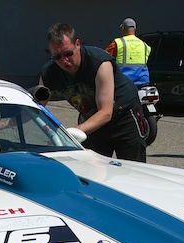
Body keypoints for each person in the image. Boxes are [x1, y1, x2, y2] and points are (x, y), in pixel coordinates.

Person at [40, 22, 146, 162]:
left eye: (68, 53)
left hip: (123, 116)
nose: (64, 60)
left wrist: (70, 135)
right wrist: (7, 122)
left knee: (133, 170)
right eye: (57, 56)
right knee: (91, 169)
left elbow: (106, 112)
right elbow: (37, 108)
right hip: (92, 120)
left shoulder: (100, 63)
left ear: (77, 44)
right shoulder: (49, 73)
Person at [105, 17, 151, 87]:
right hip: (142, 83)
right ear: (134, 29)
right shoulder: (144, 45)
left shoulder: (118, 43)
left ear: (123, 29)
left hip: (123, 83)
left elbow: (105, 57)